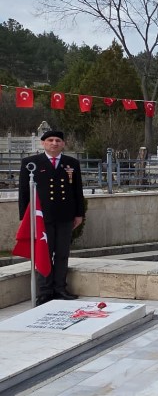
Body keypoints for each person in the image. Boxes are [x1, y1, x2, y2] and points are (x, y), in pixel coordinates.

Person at [19, 130, 85, 305]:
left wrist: (79, 214)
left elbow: (78, 191)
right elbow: (24, 193)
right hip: (41, 217)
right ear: (43, 143)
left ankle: (60, 288)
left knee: (62, 253)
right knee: (44, 253)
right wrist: (25, 218)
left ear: (63, 144)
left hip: (65, 216)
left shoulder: (71, 163)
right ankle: (45, 291)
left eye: (58, 140)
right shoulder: (30, 163)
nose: (54, 143)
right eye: (50, 140)